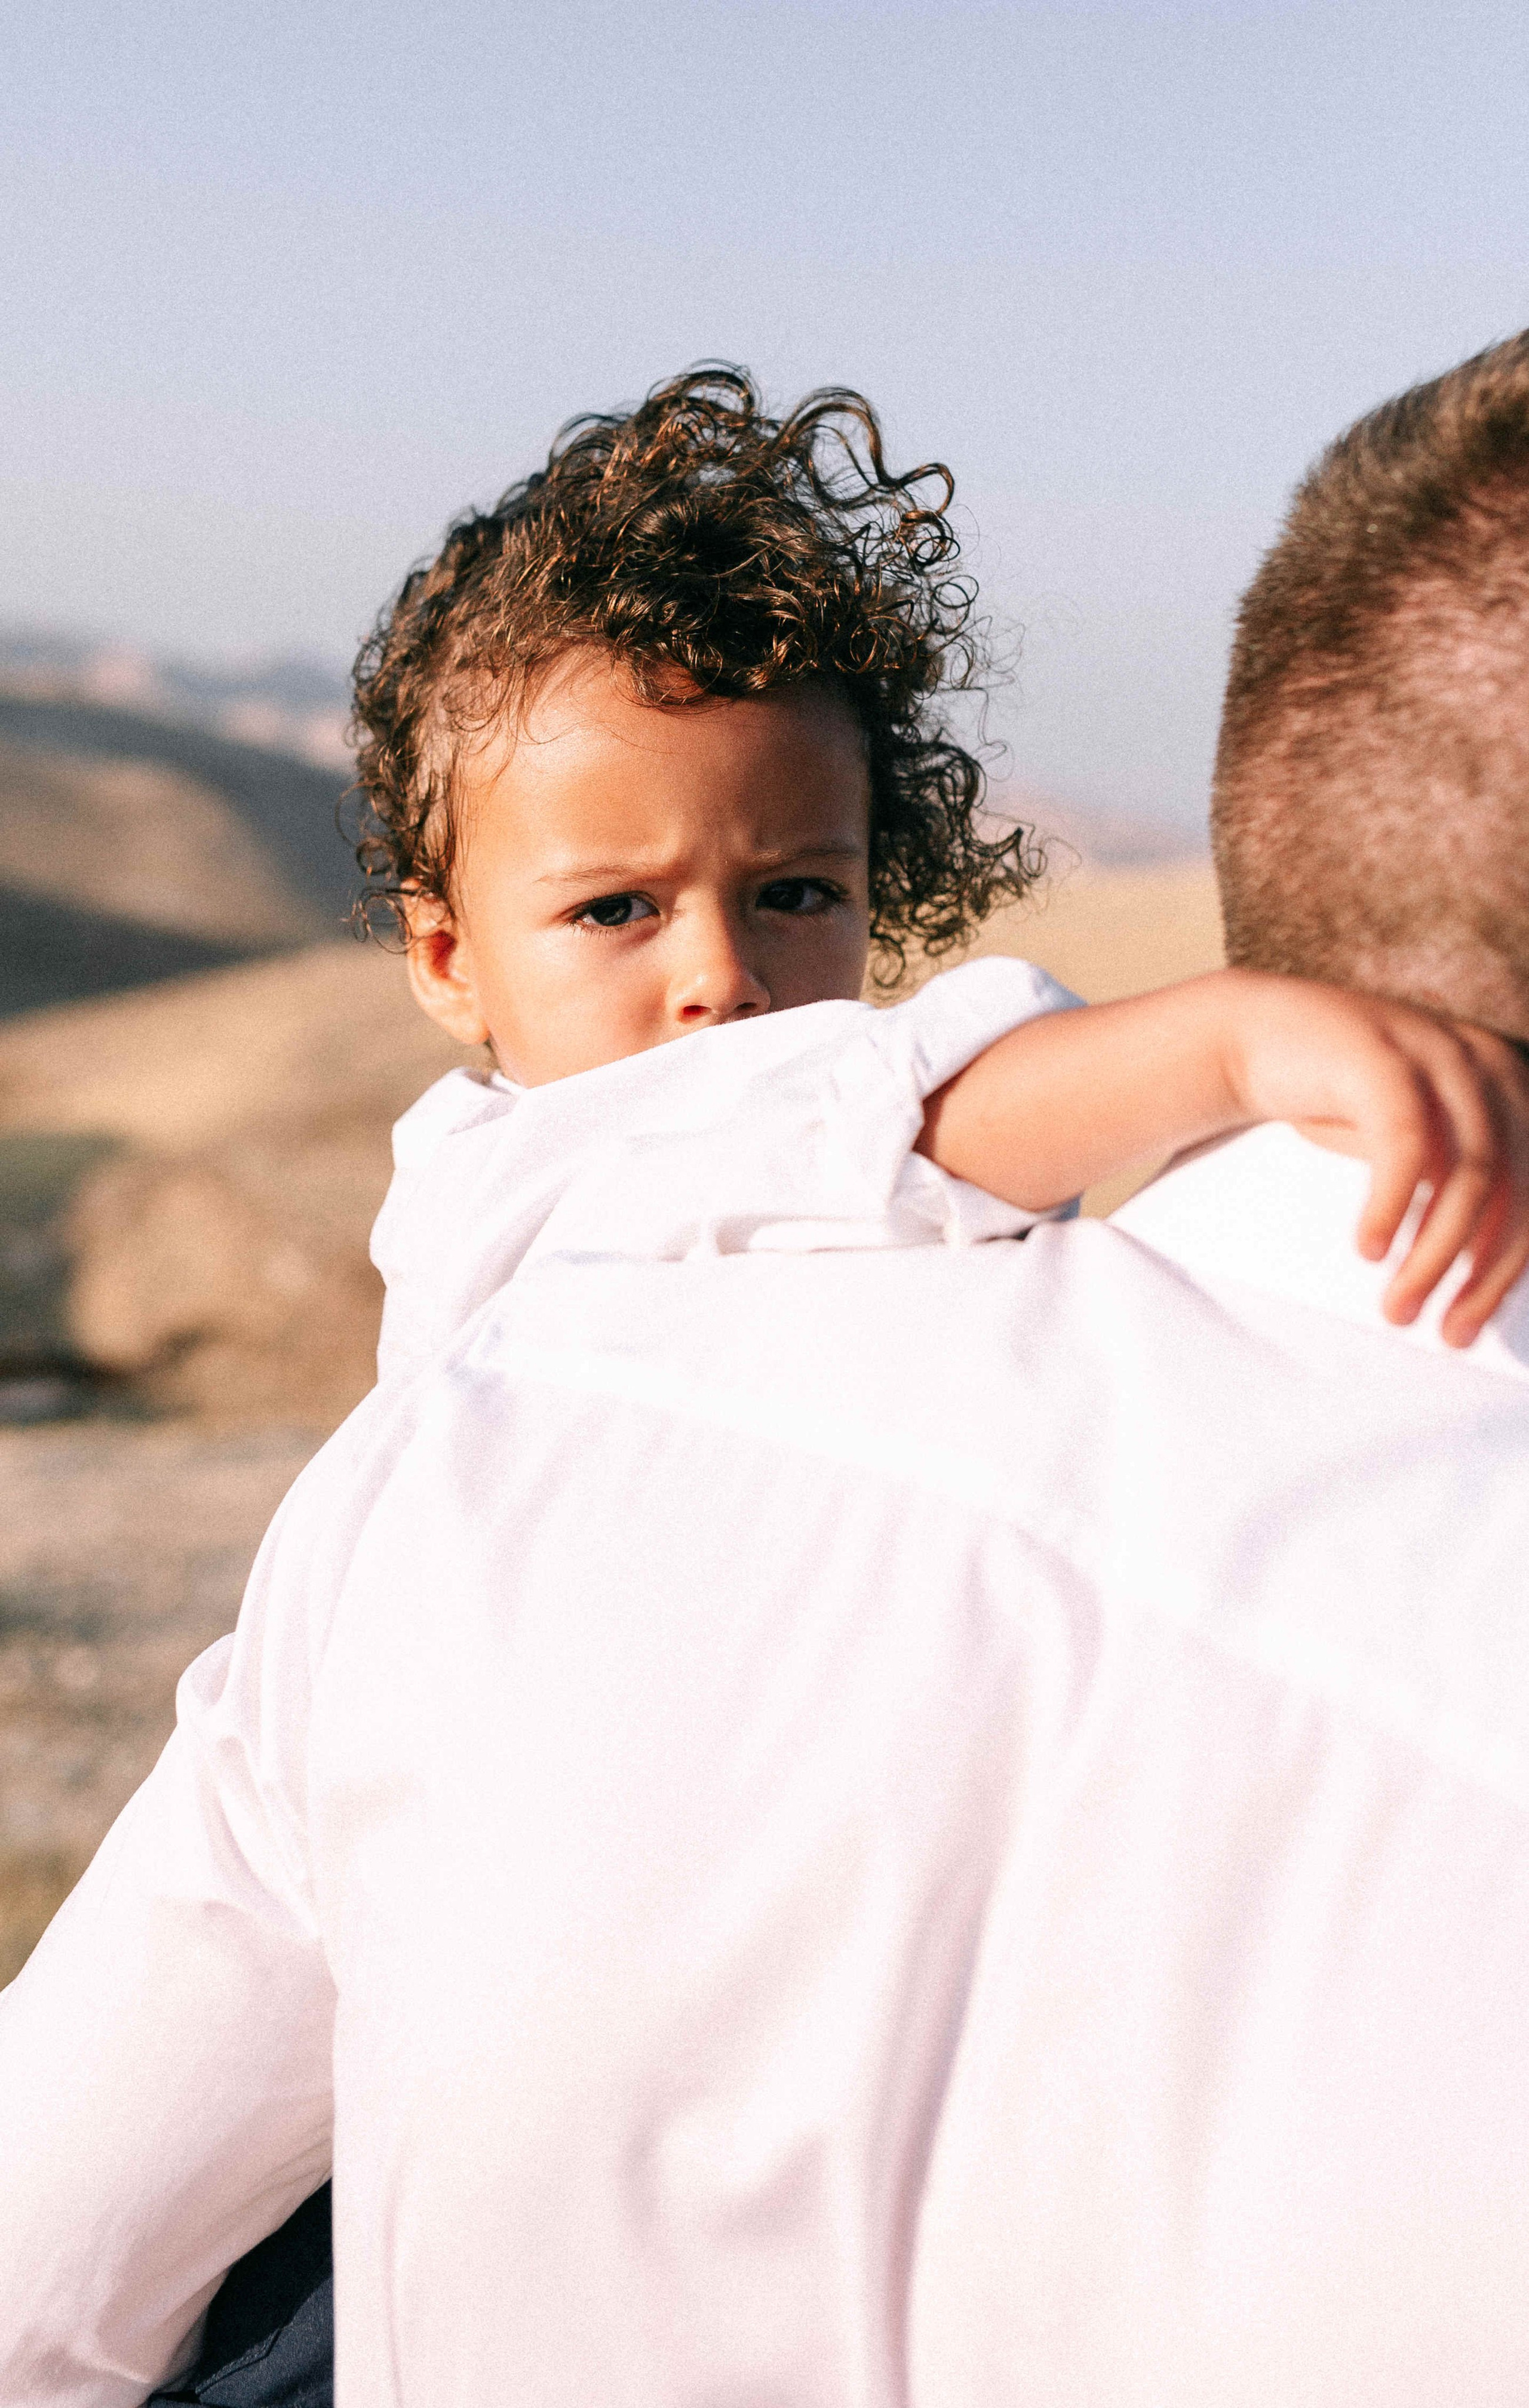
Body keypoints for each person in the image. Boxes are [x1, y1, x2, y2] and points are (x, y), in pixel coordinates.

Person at [5, 365, 1529, 2407]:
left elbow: (898, 1116)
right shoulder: (553, 1196)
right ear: (447, 962)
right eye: (615, 911)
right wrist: (1234, 1043)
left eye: (797, 893)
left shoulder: (763, 1185)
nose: (719, 976)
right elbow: (901, 1116)